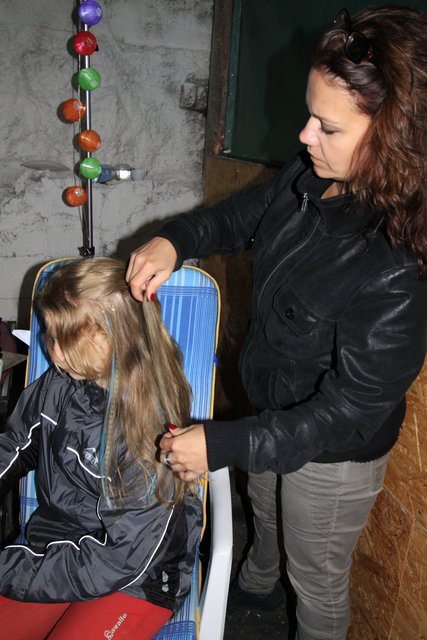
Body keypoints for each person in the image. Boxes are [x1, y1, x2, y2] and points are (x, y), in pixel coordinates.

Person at [126, 6, 427, 640]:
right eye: (310, 115)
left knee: (316, 578)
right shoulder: (310, 175)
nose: (304, 134)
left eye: (328, 126)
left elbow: (349, 411)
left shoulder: (399, 265)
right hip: (270, 410)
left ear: (395, 138)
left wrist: (224, 444)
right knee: (264, 511)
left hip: (332, 453)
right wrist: (175, 240)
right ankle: (257, 587)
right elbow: (235, 219)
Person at [0, 258, 201, 640]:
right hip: (57, 545)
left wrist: (7, 569)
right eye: (50, 334)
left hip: (136, 577)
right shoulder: (60, 382)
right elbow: (15, 445)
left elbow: (117, 560)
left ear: (115, 339)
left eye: (64, 338)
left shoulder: (151, 433)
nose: (52, 351)